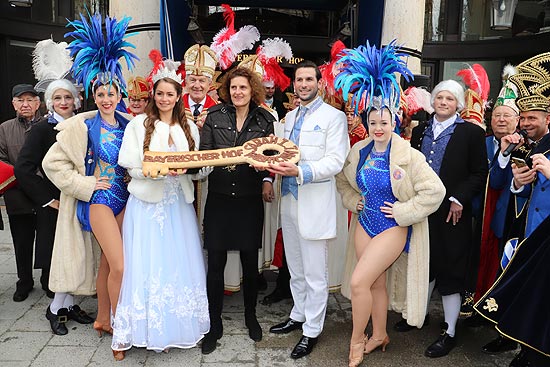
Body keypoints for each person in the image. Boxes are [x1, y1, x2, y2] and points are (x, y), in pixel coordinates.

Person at [334, 41, 445, 367]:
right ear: (367, 124)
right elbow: (343, 180)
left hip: (394, 225)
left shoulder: (409, 156)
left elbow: (435, 192)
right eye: (373, 123)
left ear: (394, 122)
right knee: (375, 282)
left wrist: (403, 212)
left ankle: (357, 342)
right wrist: (354, 200)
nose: (378, 128)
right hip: (365, 222)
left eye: (384, 122)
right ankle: (380, 334)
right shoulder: (359, 152)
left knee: (358, 282)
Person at [42, 13, 136, 360]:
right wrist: (84, 183)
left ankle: (101, 318)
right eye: (100, 93)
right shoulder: (80, 126)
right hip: (98, 200)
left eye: (112, 93)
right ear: (93, 96)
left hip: (126, 199)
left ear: (119, 94)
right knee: (121, 265)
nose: (106, 98)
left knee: (109, 265)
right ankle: (117, 325)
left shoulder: (131, 125)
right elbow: (51, 163)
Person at [113, 58, 209, 358]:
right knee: (144, 262)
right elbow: (129, 164)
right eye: (160, 94)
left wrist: (190, 171)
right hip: (146, 203)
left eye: (170, 94)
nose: (165, 99)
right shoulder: (137, 125)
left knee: (175, 262)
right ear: (154, 96)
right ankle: (134, 329)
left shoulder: (189, 126)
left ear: (178, 96)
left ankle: (171, 327)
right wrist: (158, 169)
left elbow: (201, 167)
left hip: (178, 204)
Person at [267, 60, 348, 359]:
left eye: (308, 80)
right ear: (294, 83)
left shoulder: (333, 117)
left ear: (318, 82)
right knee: (296, 268)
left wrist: (300, 171)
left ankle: (312, 330)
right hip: (288, 202)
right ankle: (298, 314)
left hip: (313, 202)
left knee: (315, 273)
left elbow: (336, 160)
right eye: (299, 80)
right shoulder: (288, 118)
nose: (303, 84)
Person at [476, 53, 550, 367]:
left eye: (532, 117)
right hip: (533, 237)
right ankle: (527, 349)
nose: (525, 123)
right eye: (524, 117)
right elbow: (516, 189)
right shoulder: (530, 146)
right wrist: (520, 184)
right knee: (531, 300)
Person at [407, 79, 488, 358]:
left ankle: (450, 330)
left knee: (451, 269)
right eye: (439, 97)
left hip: (453, 212)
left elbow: (479, 173)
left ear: (458, 104)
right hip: (422, 209)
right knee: (423, 263)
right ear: (433, 100)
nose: (443, 102)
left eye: (450, 99)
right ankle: (417, 316)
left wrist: (459, 198)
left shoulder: (472, 134)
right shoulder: (419, 131)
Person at [200, 67, 275, 354]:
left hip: (248, 198)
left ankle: (251, 316)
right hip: (219, 198)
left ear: (251, 89)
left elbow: (272, 157)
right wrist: (207, 166)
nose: (238, 92)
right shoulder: (214, 117)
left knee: (248, 262)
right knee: (215, 263)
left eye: (243, 87)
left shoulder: (265, 120)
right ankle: (214, 324)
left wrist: (265, 174)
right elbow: (206, 155)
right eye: (233, 88)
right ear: (227, 90)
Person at [15, 77, 94, 335]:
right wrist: (47, 200)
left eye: (68, 97)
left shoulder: (84, 124)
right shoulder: (41, 129)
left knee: (78, 254)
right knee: (61, 257)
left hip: (81, 197)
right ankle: (56, 308)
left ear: (76, 100)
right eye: (58, 98)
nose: (63, 102)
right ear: (49, 102)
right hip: (56, 204)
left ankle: (68, 305)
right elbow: (23, 168)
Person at [0, 84, 45, 302]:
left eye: (30, 100)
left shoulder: (48, 124)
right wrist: (21, 177)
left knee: (47, 238)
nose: (25, 104)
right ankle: (24, 282)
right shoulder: (5, 128)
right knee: (21, 240)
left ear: (38, 103)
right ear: (14, 104)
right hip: (17, 192)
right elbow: (1, 159)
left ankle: (48, 280)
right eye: (21, 100)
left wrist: (35, 178)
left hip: (45, 191)